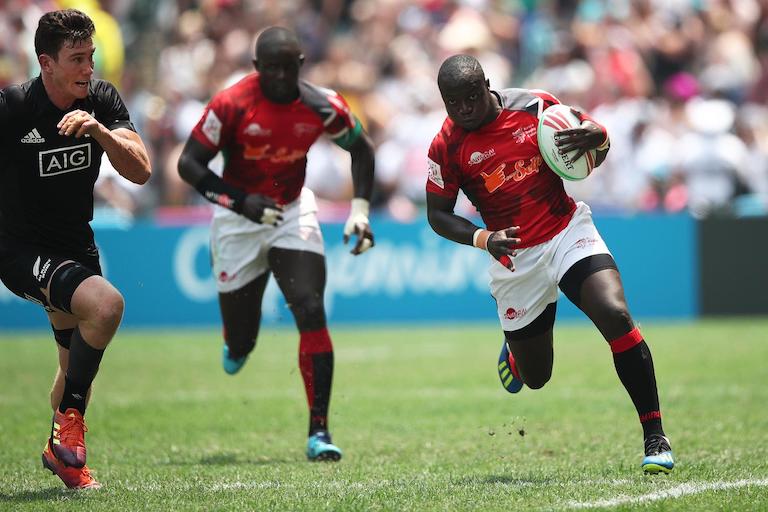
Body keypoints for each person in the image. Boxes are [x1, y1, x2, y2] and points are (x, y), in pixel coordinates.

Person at [425, 55, 674, 474]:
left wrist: (600, 135)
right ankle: (518, 355)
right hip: (514, 256)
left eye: (470, 98)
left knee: (614, 314)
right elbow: (437, 214)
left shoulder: (536, 106)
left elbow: (593, 145)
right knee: (537, 377)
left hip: (566, 231)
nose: (463, 109)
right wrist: (484, 239)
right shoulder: (446, 145)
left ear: (487, 84)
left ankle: (655, 437)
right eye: (452, 103)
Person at [177, 26, 375, 462]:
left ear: (301, 65)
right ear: (256, 69)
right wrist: (239, 201)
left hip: (291, 211)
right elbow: (188, 164)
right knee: (242, 342)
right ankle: (236, 341)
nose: (281, 78)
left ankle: (319, 431)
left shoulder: (324, 105)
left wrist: (360, 210)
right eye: (272, 70)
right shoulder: (230, 104)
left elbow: (362, 149)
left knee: (309, 306)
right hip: (237, 218)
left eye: (289, 68)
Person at [0, 9, 151, 489]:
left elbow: (141, 170)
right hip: (20, 249)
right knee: (106, 305)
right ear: (46, 63)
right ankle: (69, 426)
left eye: (92, 57)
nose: (89, 68)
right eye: (78, 59)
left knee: (70, 376)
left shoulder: (101, 101)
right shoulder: (14, 108)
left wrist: (101, 135)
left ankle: (62, 455)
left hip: (75, 246)